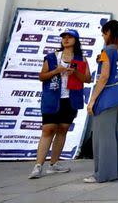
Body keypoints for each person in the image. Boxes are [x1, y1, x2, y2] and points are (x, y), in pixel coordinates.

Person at [29, 29, 91, 179]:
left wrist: (75, 73)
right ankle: (38, 165)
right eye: (64, 37)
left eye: (70, 37)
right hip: (52, 98)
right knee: (48, 129)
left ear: (76, 40)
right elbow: (41, 76)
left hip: (70, 99)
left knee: (63, 129)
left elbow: (88, 79)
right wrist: (57, 70)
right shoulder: (52, 57)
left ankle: (54, 164)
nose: (66, 39)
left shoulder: (81, 58)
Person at [84, 20, 118, 183]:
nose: (103, 37)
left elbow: (104, 76)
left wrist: (92, 100)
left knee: (103, 137)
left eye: (104, 33)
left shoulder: (106, 51)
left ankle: (103, 174)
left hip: (108, 98)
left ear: (109, 33)